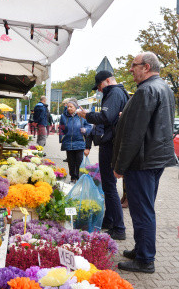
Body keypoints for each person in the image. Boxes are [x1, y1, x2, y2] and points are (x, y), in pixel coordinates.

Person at [112, 52, 175, 273]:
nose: (131, 69)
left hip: (142, 160)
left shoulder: (146, 90)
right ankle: (141, 249)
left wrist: (120, 165)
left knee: (142, 210)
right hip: (154, 158)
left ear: (146, 67)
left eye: (134, 65)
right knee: (144, 208)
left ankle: (145, 259)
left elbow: (134, 134)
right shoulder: (163, 88)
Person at [77, 70, 130, 240]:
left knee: (108, 185)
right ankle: (109, 220)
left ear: (107, 81)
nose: (99, 90)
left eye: (99, 86)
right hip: (111, 142)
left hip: (110, 144)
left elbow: (107, 117)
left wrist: (87, 115)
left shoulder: (114, 93)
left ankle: (119, 228)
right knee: (109, 185)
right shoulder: (118, 92)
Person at [59, 99, 92, 183]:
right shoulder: (63, 116)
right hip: (68, 143)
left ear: (75, 107)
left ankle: (79, 178)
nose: (69, 108)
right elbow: (61, 129)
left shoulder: (81, 116)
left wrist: (85, 129)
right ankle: (73, 178)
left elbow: (89, 126)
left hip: (80, 142)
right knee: (71, 162)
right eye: (68, 107)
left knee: (79, 162)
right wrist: (62, 138)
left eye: (71, 107)